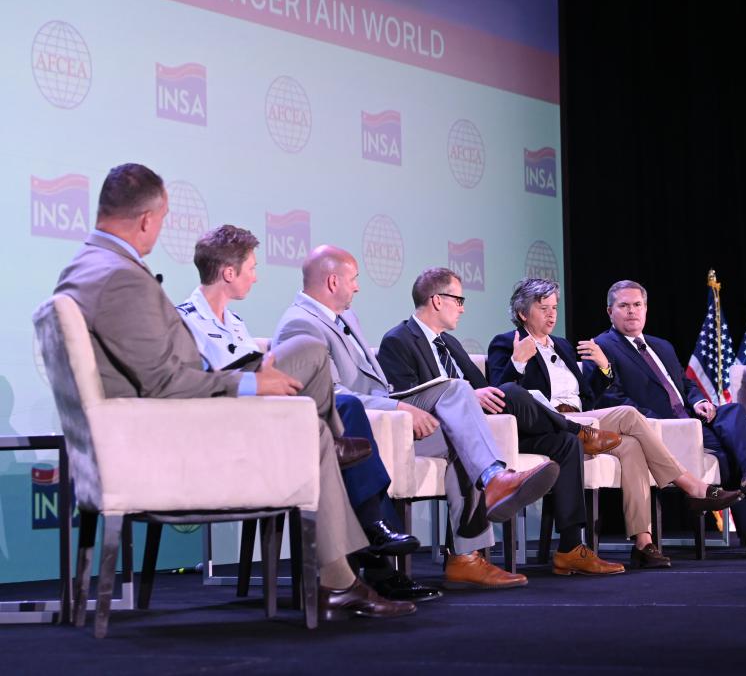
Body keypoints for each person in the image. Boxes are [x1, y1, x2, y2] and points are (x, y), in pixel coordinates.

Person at [52, 163, 413, 621]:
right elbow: (164, 382)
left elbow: (158, 371)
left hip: (170, 417)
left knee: (307, 379)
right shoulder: (119, 276)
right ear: (146, 219)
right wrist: (249, 381)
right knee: (312, 428)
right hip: (182, 433)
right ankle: (337, 579)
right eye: (161, 222)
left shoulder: (88, 267)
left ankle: (338, 570)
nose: (158, 232)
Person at [177, 225, 439, 602]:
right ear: (229, 273)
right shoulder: (185, 319)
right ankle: (375, 544)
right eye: (251, 267)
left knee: (341, 415)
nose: (257, 275)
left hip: (270, 418)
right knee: (340, 404)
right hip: (233, 430)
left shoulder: (235, 323)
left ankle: (369, 552)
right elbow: (200, 385)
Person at [273, 246, 560, 589]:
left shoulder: (346, 318)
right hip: (360, 429)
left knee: (462, 438)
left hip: (387, 420)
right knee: (455, 390)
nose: (358, 288)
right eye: (354, 280)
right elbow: (330, 397)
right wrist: (400, 408)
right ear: (333, 281)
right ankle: (494, 479)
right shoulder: (300, 324)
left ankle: (466, 557)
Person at [380, 268, 627, 576]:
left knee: (563, 445)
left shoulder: (452, 344)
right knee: (514, 392)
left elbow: (489, 391)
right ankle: (577, 431)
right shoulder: (398, 340)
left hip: (489, 426)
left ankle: (570, 547)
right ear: (436, 300)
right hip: (441, 431)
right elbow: (408, 401)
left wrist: (477, 395)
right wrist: (476, 392)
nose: (463, 307)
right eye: (458, 299)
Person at [491, 278, 746, 569]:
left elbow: (587, 396)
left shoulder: (562, 345)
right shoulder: (506, 343)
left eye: (555, 307)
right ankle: (691, 486)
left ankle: (644, 542)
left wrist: (603, 368)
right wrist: (518, 363)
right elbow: (502, 397)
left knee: (632, 446)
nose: (552, 315)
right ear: (524, 313)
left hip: (582, 418)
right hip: (551, 424)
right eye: (543, 308)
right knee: (629, 417)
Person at [591, 280, 746, 558]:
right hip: (663, 428)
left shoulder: (661, 346)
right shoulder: (601, 347)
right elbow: (611, 398)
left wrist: (699, 401)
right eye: (624, 306)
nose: (632, 311)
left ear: (645, 309)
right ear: (610, 311)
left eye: (637, 305)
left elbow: (684, 383)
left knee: (732, 412)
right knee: (729, 455)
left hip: (693, 419)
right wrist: (664, 422)